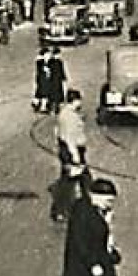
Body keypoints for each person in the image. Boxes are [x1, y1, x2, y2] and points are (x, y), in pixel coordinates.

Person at [51, 91, 89, 222]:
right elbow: (69, 138)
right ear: (76, 101)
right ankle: (60, 210)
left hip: (67, 150)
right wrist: (75, 155)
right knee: (70, 182)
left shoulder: (64, 114)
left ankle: (63, 209)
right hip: (72, 151)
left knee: (79, 180)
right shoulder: (70, 117)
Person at [46, 46, 68, 111]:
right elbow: (61, 70)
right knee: (57, 93)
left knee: (52, 93)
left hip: (52, 80)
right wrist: (64, 78)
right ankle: (56, 107)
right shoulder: (59, 61)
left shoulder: (50, 61)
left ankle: (52, 106)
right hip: (57, 80)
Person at [33, 47, 52, 113]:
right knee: (44, 93)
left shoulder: (39, 61)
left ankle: (35, 103)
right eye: (48, 53)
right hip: (43, 79)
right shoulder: (42, 61)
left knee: (39, 92)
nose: (49, 55)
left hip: (40, 79)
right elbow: (45, 69)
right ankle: (43, 107)